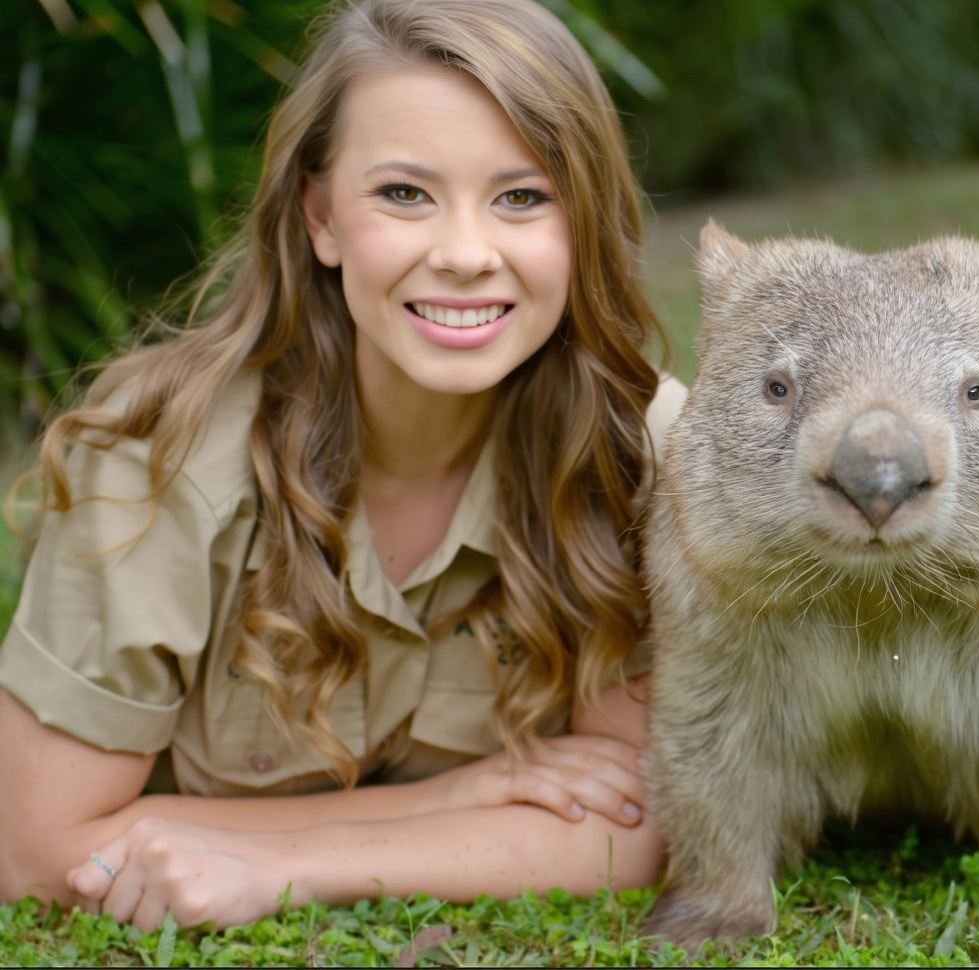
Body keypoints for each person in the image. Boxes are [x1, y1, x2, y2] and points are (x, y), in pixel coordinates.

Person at [0, 0, 685, 931]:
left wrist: (281, 863)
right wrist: (454, 801)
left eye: (522, 197)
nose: (465, 254)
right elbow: (36, 851)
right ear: (321, 216)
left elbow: (639, 823)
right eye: (404, 194)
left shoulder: (641, 456)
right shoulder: (162, 463)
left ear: (586, 220)